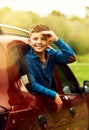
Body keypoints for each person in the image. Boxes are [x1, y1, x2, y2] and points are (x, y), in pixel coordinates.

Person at [24, 24, 76, 111]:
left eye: (43, 39)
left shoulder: (51, 54)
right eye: (35, 39)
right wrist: (54, 94)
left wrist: (57, 40)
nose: (39, 42)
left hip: (47, 101)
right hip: (35, 102)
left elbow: (71, 57)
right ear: (29, 41)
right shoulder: (27, 59)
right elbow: (32, 84)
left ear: (48, 42)